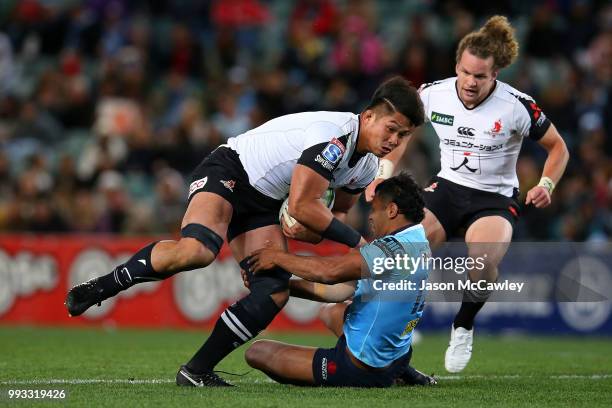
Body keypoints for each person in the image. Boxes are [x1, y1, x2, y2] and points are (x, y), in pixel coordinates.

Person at [65, 76, 424, 386]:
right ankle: (101, 287)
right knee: (197, 251)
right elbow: (304, 206)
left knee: (274, 291)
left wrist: (302, 228)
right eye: (390, 128)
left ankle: (196, 371)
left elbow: (332, 216)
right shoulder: (335, 137)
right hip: (231, 170)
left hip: (265, 203)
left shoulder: (364, 167)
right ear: (369, 115)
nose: (394, 139)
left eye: (403, 134)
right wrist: (354, 242)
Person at [365, 16, 569, 373]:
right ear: (456, 66)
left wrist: (546, 184)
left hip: (494, 199)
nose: (471, 82)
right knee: (401, 251)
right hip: (447, 189)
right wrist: (383, 174)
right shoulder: (432, 94)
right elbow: (400, 131)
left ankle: (463, 325)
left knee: (482, 265)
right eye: (466, 73)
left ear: (496, 75)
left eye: (481, 76)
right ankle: (399, 323)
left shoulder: (517, 106)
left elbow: (559, 148)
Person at [245, 173, 436, 388]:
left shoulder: (390, 250)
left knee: (256, 352)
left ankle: (353, 373)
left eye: (374, 209)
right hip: (398, 355)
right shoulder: (417, 242)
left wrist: (276, 258)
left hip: (363, 367)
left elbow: (330, 272)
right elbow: (340, 290)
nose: (370, 217)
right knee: (331, 311)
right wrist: (283, 285)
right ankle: (403, 371)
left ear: (391, 210)